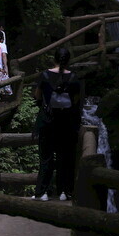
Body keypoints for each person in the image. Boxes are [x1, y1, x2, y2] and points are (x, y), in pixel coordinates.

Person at [32, 48, 82, 201]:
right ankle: (64, 192)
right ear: (68, 61)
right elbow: (76, 100)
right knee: (65, 158)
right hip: (66, 123)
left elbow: (37, 95)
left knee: (46, 158)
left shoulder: (45, 75)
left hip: (47, 121)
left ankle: (43, 192)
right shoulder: (73, 77)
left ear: (54, 59)